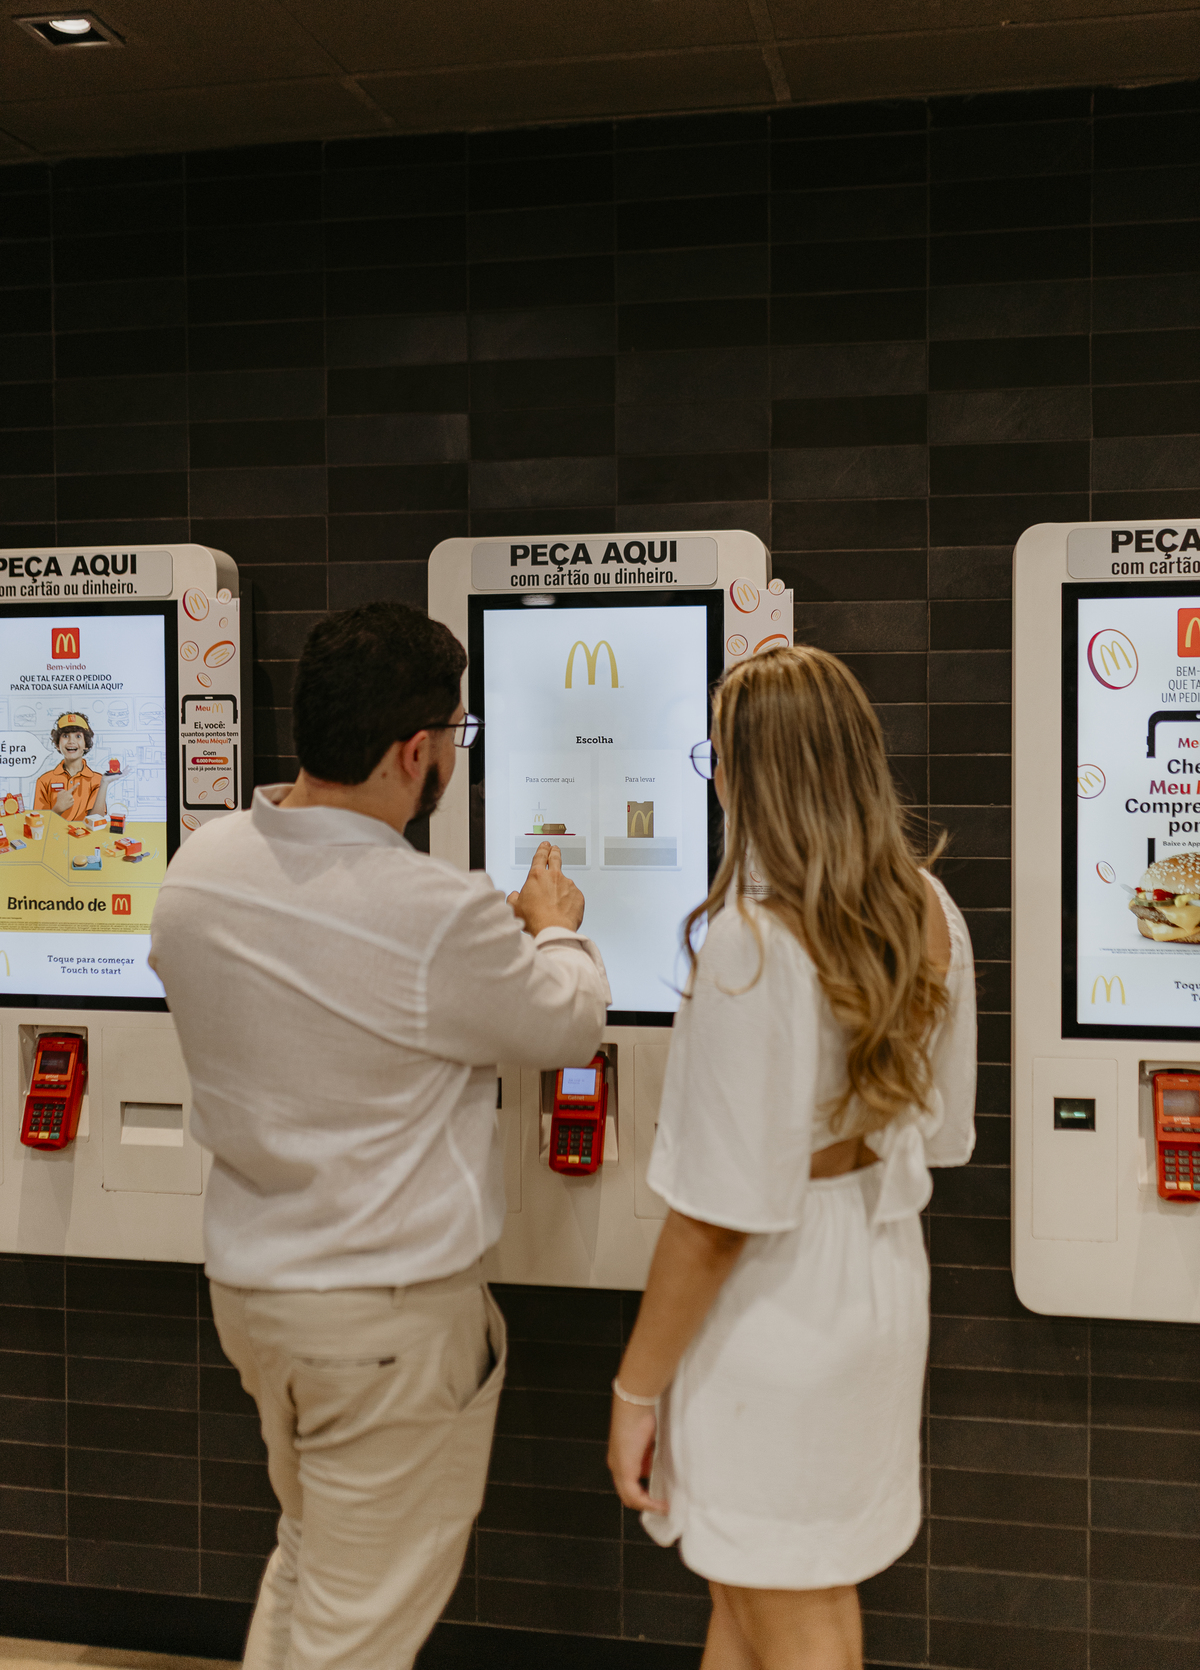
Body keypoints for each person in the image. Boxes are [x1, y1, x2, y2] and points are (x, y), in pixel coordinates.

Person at [149, 602, 610, 1670]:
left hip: (257, 1299)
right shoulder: (435, 908)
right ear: (415, 751)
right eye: (455, 736)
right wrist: (556, 928)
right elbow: (565, 1025)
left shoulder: (198, 869)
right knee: (355, 1636)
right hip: (382, 1324)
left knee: (311, 1564)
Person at [606, 645, 976, 1670]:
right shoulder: (927, 910)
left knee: (793, 1605)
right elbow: (942, 1131)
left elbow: (716, 1221)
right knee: (752, 1589)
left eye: (717, 757)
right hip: (878, 1276)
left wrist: (635, 1391)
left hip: (773, 1312)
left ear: (751, 775)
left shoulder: (752, 944)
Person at [34, 713, 121, 819]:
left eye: (78, 736)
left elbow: (96, 820)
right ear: (57, 744)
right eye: (65, 736)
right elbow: (38, 823)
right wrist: (57, 809)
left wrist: (104, 784)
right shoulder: (44, 781)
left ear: (86, 744)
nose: (71, 741)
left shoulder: (97, 780)